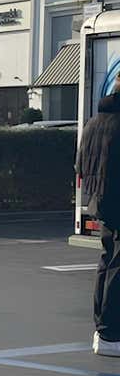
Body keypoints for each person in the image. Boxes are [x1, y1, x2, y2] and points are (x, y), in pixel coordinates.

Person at [76, 76, 120, 356]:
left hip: (101, 201)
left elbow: (80, 163)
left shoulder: (94, 123)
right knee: (116, 266)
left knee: (107, 262)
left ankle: (102, 330)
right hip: (116, 198)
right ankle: (111, 334)